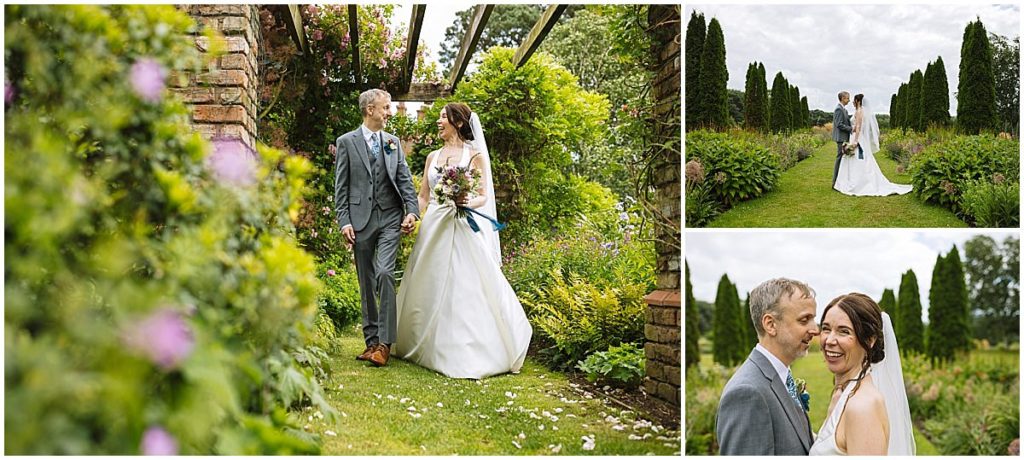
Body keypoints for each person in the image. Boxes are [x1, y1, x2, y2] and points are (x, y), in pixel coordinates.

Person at [393, 102, 532, 379]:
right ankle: (420, 343)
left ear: (457, 122)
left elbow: (483, 195)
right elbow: (423, 196)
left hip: (461, 225)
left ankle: (463, 350)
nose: (438, 121)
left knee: (463, 285)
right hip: (434, 226)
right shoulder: (432, 156)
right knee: (426, 283)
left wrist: (466, 198)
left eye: (443, 117)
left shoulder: (474, 155)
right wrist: (412, 216)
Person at [334, 89, 420, 367]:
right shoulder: (346, 142)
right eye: (385, 107)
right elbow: (341, 187)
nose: (389, 112)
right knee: (366, 281)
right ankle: (371, 343)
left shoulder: (393, 142)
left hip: (390, 218)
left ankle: (385, 344)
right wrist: (344, 220)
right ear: (369, 109)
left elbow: (405, 181)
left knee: (384, 273)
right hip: (360, 221)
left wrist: (412, 212)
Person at [717, 278, 820, 455]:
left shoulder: (781, 376)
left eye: (813, 319)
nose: (815, 330)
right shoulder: (747, 394)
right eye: (804, 320)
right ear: (771, 324)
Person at [810, 293, 915, 455]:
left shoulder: (862, 408)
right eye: (826, 328)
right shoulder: (841, 394)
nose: (829, 340)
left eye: (844, 331)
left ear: (869, 340)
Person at [833, 94, 913, 196]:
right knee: (860, 160)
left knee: (857, 160)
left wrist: (855, 141)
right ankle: (852, 180)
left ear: (858, 101)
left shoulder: (859, 112)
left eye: (853, 100)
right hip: (858, 137)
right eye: (849, 99)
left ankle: (857, 182)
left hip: (857, 138)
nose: (851, 102)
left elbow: (858, 128)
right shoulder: (862, 111)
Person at [831, 91, 853, 187]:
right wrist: (851, 129)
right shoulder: (838, 109)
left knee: (843, 158)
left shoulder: (844, 110)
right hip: (841, 138)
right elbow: (839, 124)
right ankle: (835, 182)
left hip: (844, 137)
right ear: (843, 98)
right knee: (839, 158)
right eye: (848, 98)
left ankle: (841, 181)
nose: (849, 100)